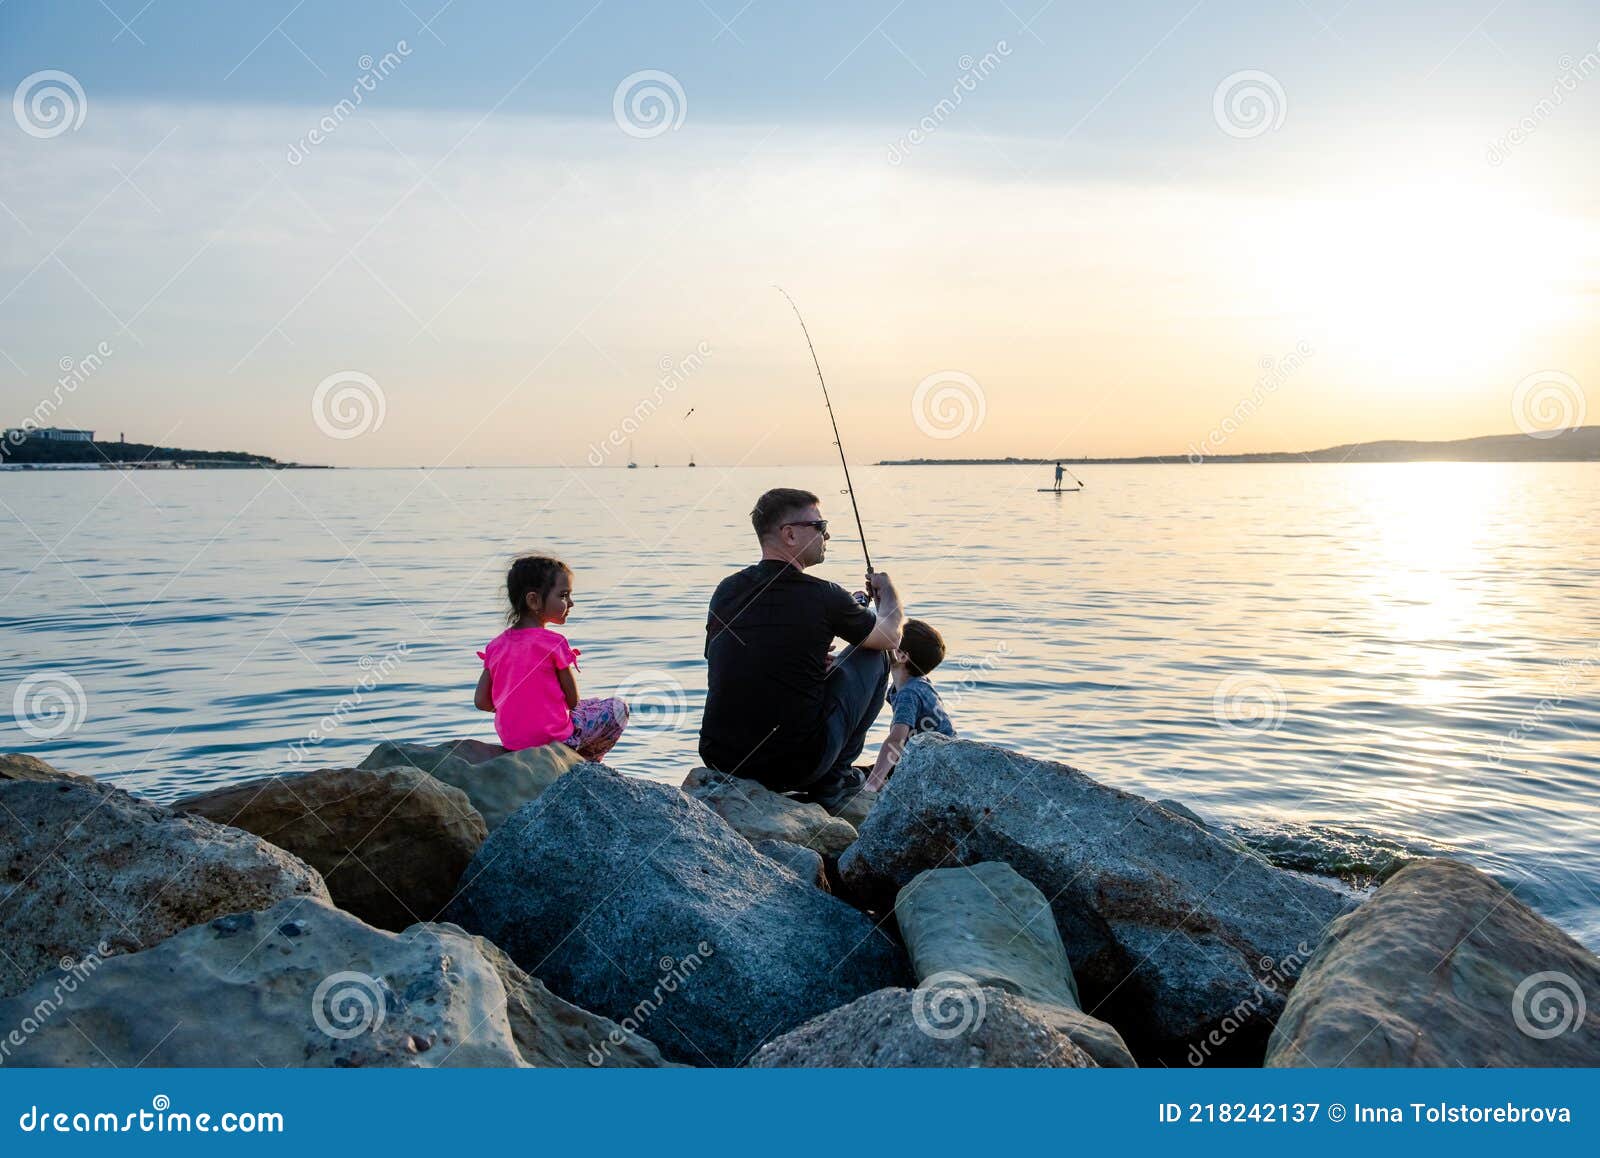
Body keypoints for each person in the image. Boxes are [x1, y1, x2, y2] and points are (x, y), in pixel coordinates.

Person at [699, 487, 904, 811]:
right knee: (873, 655)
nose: (828, 535)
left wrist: (801, 661)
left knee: (837, 664)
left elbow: (726, 659)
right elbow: (890, 637)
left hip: (721, 758)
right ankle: (833, 783)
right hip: (792, 767)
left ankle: (828, 774)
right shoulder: (825, 595)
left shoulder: (726, 590)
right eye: (820, 527)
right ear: (790, 534)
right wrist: (888, 594)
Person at [475, 554, 628, 761]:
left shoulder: (496, 646)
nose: (571, 603)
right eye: (563, 595)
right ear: (534, 600)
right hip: (557, 740)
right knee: (617, 708)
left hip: (513, 743)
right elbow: (572, 701)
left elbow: (482, 702)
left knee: (588, 706)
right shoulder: (553, 643)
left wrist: (519, 708)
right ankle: (586, 760)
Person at [863, 619, 956, 792]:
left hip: (935, 764)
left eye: (893, 638)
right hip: (929, 756)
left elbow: (897, 739)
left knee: (862, 778)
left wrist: (872, 784)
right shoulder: (916, 682)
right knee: (857, 773)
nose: (886, 639)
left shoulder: (909, 693)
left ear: (903, 656)